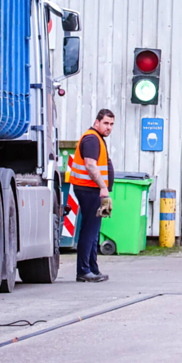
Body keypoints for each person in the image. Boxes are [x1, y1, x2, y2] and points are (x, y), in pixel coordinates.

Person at [68, 109, 115, 283]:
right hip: (90, 190)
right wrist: (103, 187)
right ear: (97, 122)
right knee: (89, 230)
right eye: (105, 123)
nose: (109, 127)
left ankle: (92, 268)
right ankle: (84, 271)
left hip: (93, 190)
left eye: (111, 124)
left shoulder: (97, 139)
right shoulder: (92, 139)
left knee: (94, 231)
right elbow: (90, 166)